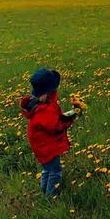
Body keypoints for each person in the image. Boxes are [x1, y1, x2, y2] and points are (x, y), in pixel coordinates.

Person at [20, 68, 81, 197]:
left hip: (41, 144)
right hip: (46, 146)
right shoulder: (44, 109)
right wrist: (71, 117)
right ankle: (51, 196)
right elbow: (56, 126)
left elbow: (53, 121)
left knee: (47, 169)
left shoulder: (37, 104)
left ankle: (44, 191)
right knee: (55, 171)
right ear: (48, 92)